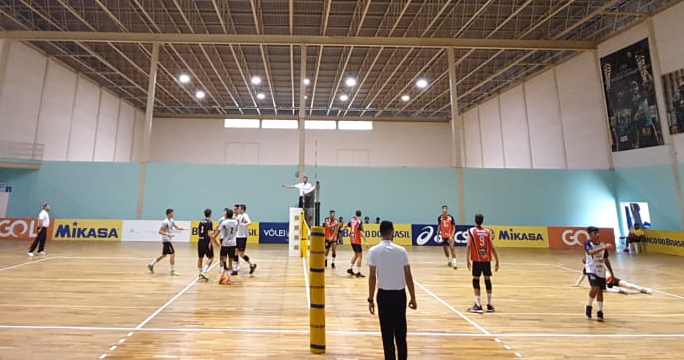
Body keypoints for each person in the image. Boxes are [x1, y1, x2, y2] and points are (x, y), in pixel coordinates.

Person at [368, 221, 417, 360]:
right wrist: (413, 297)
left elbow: (372, 278)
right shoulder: (401, 251)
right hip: (399, 296)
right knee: (401, 334)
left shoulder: (373, 251)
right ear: (392, 232)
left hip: (383, 296)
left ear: (380, 233)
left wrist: (370, 299)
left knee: (387, 335)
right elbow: (408, 276)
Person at [466, 214, 499, 313]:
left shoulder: (471, 231)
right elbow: (492, 247)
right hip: (487, 260)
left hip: (477, 260)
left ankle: (478, 305)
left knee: (475, 280)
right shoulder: (487, 232)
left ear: (475, 221)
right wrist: (497, 260)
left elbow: (468, 246)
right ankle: (489, 305)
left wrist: (467, 259)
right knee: (487, 280)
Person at [584, 226, 615, 322]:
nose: (597, 235)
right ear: (590, 235)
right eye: (595, 233)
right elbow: (590, 252)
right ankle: (589, 305)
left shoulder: (602, 244)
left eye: (598, 233)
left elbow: (606, 259)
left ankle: (600, 311)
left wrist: (611, 273)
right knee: (595, 288)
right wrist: (604, 247)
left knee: (600, 291)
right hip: (591, 269)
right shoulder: (588, 243)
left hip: (601, 269)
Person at [148, 208, 187, 276]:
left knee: (164, 255)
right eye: (172, 213)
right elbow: (160, 231)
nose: (173, 214)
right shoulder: (165, 222)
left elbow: (177, 227)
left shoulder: (171, 220)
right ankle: (172, 270)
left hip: (168, 240)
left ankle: (151, 264)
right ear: (169, 214)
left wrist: (183, 228)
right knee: (172, 253)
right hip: (166, 240)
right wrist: (168, 234)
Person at [573, 264, 651, 295]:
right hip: (609, 278)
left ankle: (618, 291)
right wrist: (577, 284)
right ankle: (641, 289)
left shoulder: (588, 267)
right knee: (626, 284)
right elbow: (582, 275)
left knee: (602, 289)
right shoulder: (597, 263)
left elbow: (582, 275)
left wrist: (577, 284)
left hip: (606, 279)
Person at [216, 208, 238, 285]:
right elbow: (236, 231)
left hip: (225, 243)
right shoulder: (236, 222)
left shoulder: (224, 222)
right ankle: (229, 278)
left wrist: (213, 238)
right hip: (233, 243)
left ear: (226, 215)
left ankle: (222, 275)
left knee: (222, 259)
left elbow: (217, 232)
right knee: (230, 261)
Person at [234, 204, 257, 275]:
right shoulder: (239, 216)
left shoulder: (245, 215)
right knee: (236, 252)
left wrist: (245, 225)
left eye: (239, 209)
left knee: (241, 254)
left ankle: (251, 264)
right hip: (237, 236)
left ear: (242, 209)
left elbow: (249, 222)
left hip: (242, 237)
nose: (238, 210)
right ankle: (235, 268)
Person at [347, 210, 367, 278]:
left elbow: (347, 225)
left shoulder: (352, 220)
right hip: (357, 241)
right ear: (361, 214)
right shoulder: (359, 221)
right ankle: (358, 272)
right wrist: (366, 241)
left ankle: (349, 268)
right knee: (360, 256)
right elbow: (361, 232)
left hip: (352, 240)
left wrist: (342, 228)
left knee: (356, 254)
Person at [197, 208, 215, 280]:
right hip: (206, 241)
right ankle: (204, 272)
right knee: (211, 257)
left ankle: (200, 272)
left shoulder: (201, 221)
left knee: (200, 258)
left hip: (200, 241)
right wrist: (211, 242)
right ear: (210, 214)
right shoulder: (210, 222)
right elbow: (209, 234)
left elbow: (198, 232)